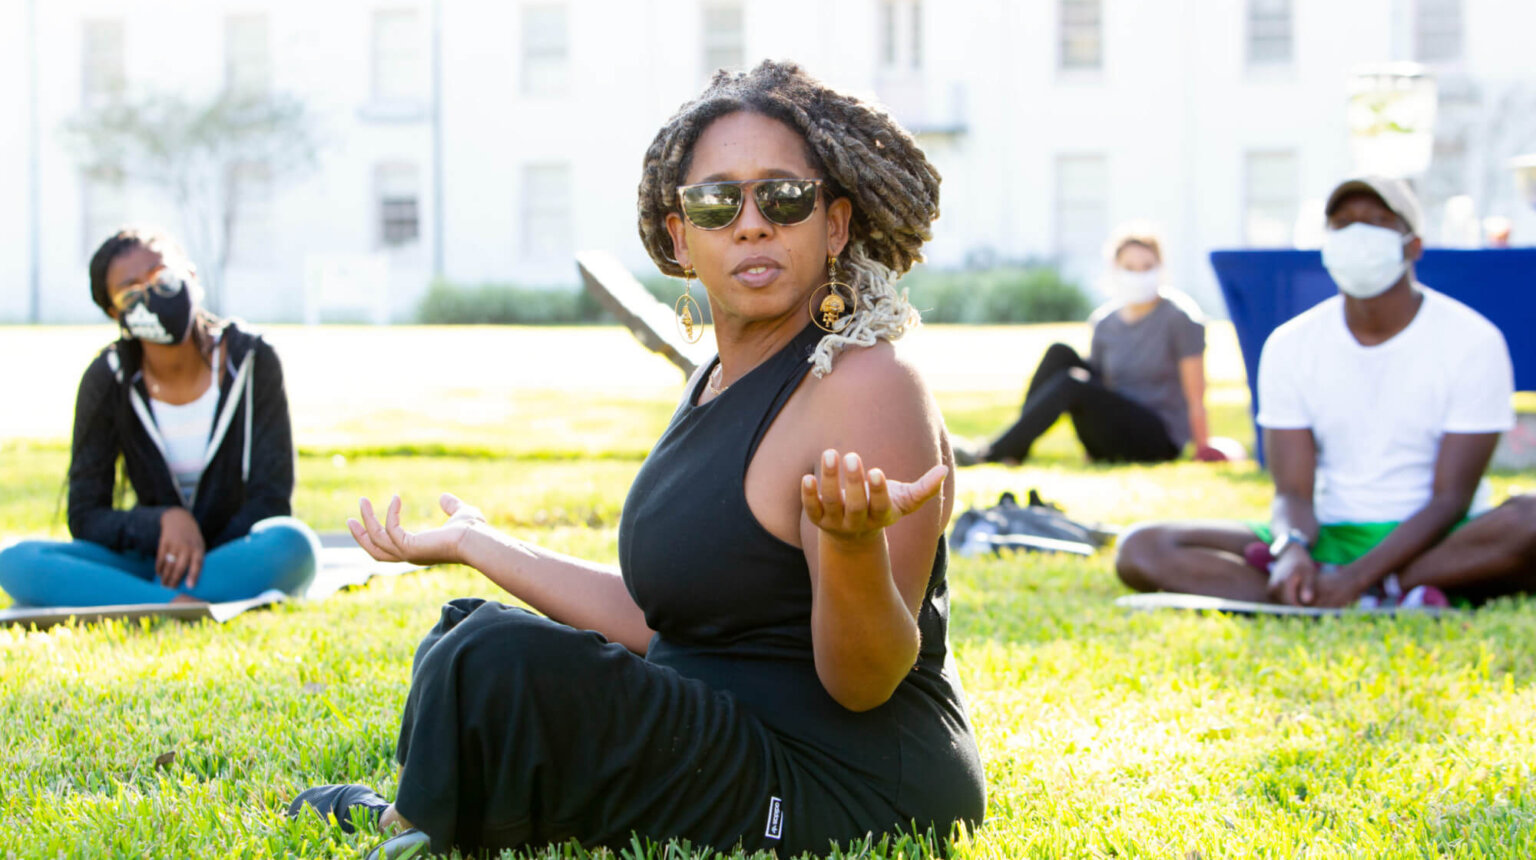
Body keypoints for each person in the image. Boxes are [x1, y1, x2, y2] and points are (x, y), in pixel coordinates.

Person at [289, 61, 986, 858]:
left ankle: (417, 825)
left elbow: (866, 683)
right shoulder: (716, 381)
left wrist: (855, 548)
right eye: (718, 202)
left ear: (832, 225)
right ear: (679, 237)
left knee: (493, 662)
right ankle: (444, 813)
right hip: (726, 734)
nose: (752, 224)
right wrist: (479, 543)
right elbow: (671, 628)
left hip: (846, 783)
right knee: (467, 630)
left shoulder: (865, 380)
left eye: (783, 198)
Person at [1116, 176, 1536, 608]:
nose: (1358, 235)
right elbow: (1292, 493)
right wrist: (1292, 547)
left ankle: (1349, 591)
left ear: (1413, 245)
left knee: (1532, 519)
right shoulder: (1290, 344)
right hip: (1329, 535)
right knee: (1142, 548)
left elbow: (1451, 499)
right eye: (1342, 223)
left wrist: (1356, 576)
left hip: (1440, 538)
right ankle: (1376, 591)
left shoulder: (1473, 340)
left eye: (1378, 221)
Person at [0, 228, 318, 607]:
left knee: (293, 545)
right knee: (16, 562)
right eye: (131, 290)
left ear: (191, 276)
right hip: (146, 558)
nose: (151, 294)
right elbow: (86, 515)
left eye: (161, 276)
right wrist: (163, 522)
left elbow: (271, 499)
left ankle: (141, 599)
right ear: (114, 313)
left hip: (228, 555)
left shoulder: (253, 361)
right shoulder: (107, 378)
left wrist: (196, 547)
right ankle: (171, 603)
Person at [958, 225, 1225, 465]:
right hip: (1114, 431)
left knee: (1071, 382)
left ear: (1160, 268)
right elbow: (1100, 385)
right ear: (1115, 270)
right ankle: (1016, 448)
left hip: (1157, 438)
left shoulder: (1181, 318)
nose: (1139, 275)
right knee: (1059, 353)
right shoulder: (1104, 322)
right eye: (1130, 268)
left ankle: (991, 453)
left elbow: (1196, 395)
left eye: (1147, 267)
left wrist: (1203, 448)